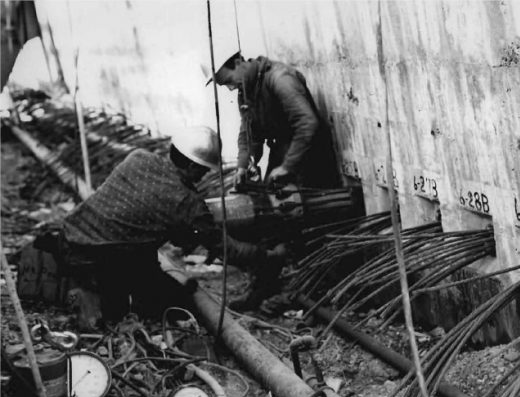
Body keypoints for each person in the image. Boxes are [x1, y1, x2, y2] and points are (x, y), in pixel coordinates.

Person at [47, 126, 285, 329]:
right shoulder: (187, 203)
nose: (202, 176)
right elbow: (227, 249)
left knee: (143, 259)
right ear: (192, 168)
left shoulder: (139, 157)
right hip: (95, 260)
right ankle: (94, 294)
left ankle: (94, 285)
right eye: (203, 170)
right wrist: (267, 256)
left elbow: (148, 217)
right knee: (174, 301)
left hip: (67, 237)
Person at [206, 52, 341, 190]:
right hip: (282, 151)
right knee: (269, 196)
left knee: (295, 204)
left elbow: (307, 123)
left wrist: (287, 166)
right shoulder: (246, 91)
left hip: (311, 155)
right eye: (225, 85)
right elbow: (248, 133)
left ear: (237, 63)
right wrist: (243, 165)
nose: (231, 88)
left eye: (229, 81)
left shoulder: (280, 78)